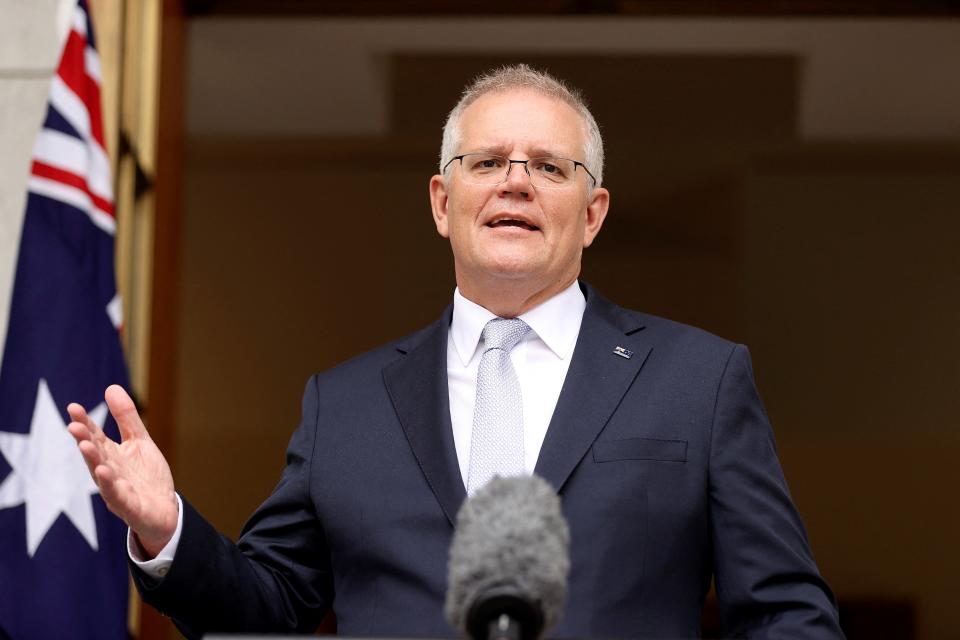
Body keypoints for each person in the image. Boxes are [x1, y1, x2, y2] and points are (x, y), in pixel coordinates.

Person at [68, 65, 844, 639]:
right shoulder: (343, 405)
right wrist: (166, 527)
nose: (516, 182)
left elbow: (787, 615)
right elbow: (268, 611)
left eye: (548, 166)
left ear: (593, 213)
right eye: (487, 162)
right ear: (444, 202)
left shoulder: (698, 381)